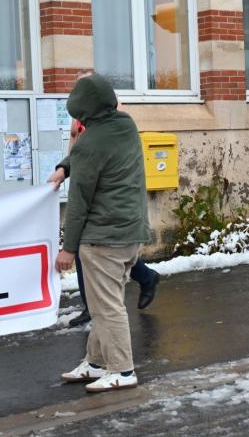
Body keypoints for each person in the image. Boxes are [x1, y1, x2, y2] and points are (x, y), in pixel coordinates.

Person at [50, 73, 150, 392]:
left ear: (82, 112)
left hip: (103, 238)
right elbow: (86, 154)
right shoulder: (126, 125)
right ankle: (96, 362)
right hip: (130, 233)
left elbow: (78, 205)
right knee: (103, 303)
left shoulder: (88, 144)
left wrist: (68, 249)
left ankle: (121, 369)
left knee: (106, 308)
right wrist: (67, 166)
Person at [67, 98, 159, 328]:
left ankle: (144, 279)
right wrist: (64, 167)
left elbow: (99, 152)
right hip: (88, 186)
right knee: (85, 252)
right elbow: (78, 152)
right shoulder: (80, 115)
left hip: (106, 198)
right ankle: (92, 306)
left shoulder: (114, 116)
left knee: (107, 253)